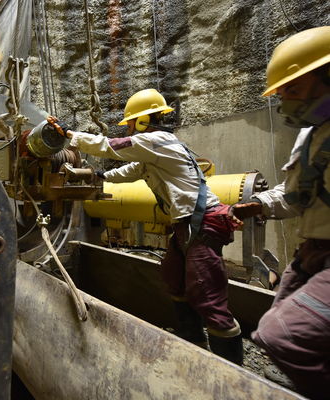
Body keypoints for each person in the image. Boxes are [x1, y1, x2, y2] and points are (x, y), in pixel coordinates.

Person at [47, 88, 243, 364]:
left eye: (130, 122)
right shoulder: (155, 149)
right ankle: (194, 343)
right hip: (186, 226)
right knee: (174, 278)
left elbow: (110, 145)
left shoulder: (157, 140)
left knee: (206, 294)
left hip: (201, 223)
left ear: (142, 121)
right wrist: (100, 175)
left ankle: (233, 373)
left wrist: (70, 137)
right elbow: (131, 171)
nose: (128, 127)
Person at [231, 26, 330, 399]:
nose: (283, 101)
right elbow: (295, 197)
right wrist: (260, 204)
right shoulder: (310, 136)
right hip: (312, 254)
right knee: (280, 325)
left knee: (282, 334)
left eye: (293, 89)